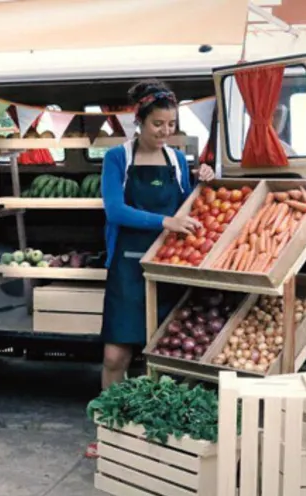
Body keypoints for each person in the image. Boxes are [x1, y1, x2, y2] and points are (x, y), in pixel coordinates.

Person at [86, 80, 215, 458]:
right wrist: (165, 222)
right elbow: (115, 211)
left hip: (168, 267)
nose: (165, 131)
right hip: (127, 268)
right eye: (158, 124)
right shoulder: (117, 159)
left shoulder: (176, 160)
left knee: (159, 356)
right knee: (115, 356)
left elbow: (187, 207)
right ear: (138, 121)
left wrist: (201, 183)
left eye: (171, 124)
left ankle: (149, 439)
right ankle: (109, 432)